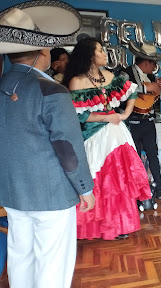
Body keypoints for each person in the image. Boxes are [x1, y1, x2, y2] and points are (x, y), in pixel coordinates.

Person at [0, 2, 95, 287]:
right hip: (50, 193)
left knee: (21, 254)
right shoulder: (51, 91)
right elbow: (68, 147)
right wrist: (85, 189)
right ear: (43, 52)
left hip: (11, 190)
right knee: (53, 261)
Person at [62, 37, 152, 240]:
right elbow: (80, 115)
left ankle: (119, 226)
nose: (105, 54)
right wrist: (108, 117)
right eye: (101, 51)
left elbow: (132, 92)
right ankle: (96, 226)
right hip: (93, 137)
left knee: (118, 181)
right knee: (98, 179)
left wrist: (125, 115)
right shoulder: (77, 81)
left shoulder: (109, 76)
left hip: (117, 134)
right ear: (90, 56)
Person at [121, 44, 161, 199]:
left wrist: (157, 92)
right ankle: (136, 190)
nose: (154, 69)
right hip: (132, 122)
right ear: (147, 62)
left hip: (148, 122)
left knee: (153, 154)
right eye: (154, 64)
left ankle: (159, 187)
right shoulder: (125, 72)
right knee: (135, 156)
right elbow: (123, 89)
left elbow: (153, 101)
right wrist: (147, 88)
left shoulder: (153, 78)